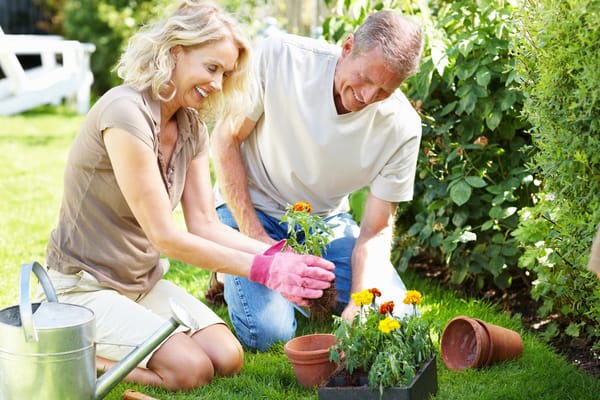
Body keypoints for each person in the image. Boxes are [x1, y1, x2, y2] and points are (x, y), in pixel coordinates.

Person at [41, 0, 334, 392]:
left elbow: (205, 224)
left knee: (227, 358)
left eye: (225, 73)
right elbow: (166, 236)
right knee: (192, 371)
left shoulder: (191, 126)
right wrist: (262, 271)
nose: (217, 83)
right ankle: (68, 349)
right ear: (175, 52)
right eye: (211, 68)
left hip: (141, 282)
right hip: (84, 287)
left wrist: (276, 258)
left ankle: (110, 342)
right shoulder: (125, 112)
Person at [211, 9, 424, 351]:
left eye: (384, 90)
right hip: (251, 209)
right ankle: (227, 270)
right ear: (347, 47)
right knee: (268, 334)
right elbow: (226, 139)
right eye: (366, 78)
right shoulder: (281, 57)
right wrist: (261, 245)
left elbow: (376, 229)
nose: (368, 97)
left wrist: (360, 302)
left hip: (324, 223)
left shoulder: (402, 127)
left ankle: (298, 281)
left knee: (396, 315)